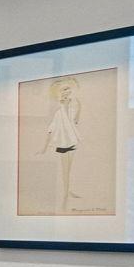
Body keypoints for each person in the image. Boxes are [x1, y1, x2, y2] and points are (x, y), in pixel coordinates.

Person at [46, 77, 82, 213]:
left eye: (68, 89)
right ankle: (65, 194)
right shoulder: (58, 111)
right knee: (64, 169)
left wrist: (78, 107)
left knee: (69, 169)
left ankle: (68, 191)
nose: (67, 92)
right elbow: (51, 129)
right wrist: (44, 147)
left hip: (72, 141)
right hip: (62, 143)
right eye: (64, 90)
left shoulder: (73, 107)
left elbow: (75, 122)